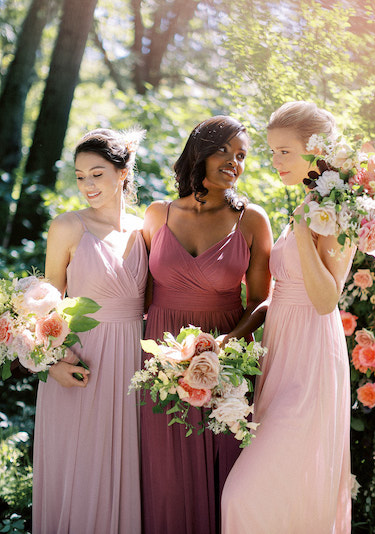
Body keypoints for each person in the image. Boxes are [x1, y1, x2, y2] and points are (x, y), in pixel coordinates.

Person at [222, 101, 354, 533]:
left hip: (312, 360)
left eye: (285, 152)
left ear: (315, 153)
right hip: (281, 357)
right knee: (282, 489)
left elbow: (325, 299)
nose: (275, 161)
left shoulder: (336, 211)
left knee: (243, 494)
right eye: (273, 151)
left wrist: (301, 231)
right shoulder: (306, 204)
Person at [140, 115, 273, 534]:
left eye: (243, 156)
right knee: (165, 478)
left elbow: (263, 300)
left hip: (225, 361)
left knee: (227, 468)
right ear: (200, 150)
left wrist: (225, 343)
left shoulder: (250, 220)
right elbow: (139, 293)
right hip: (161, 360)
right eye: (226, 151)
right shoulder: (157, 214)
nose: (235, 162)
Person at [32, 127, 147, 534]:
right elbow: (46, 307)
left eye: (97, 174)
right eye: (80, 176)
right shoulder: (68, 227)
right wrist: (51, 364)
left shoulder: (145, 229)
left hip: (132, 367)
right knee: (80, 471)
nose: (87, 185)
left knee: (124, 468)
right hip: (80, 363)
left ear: (123, 173)